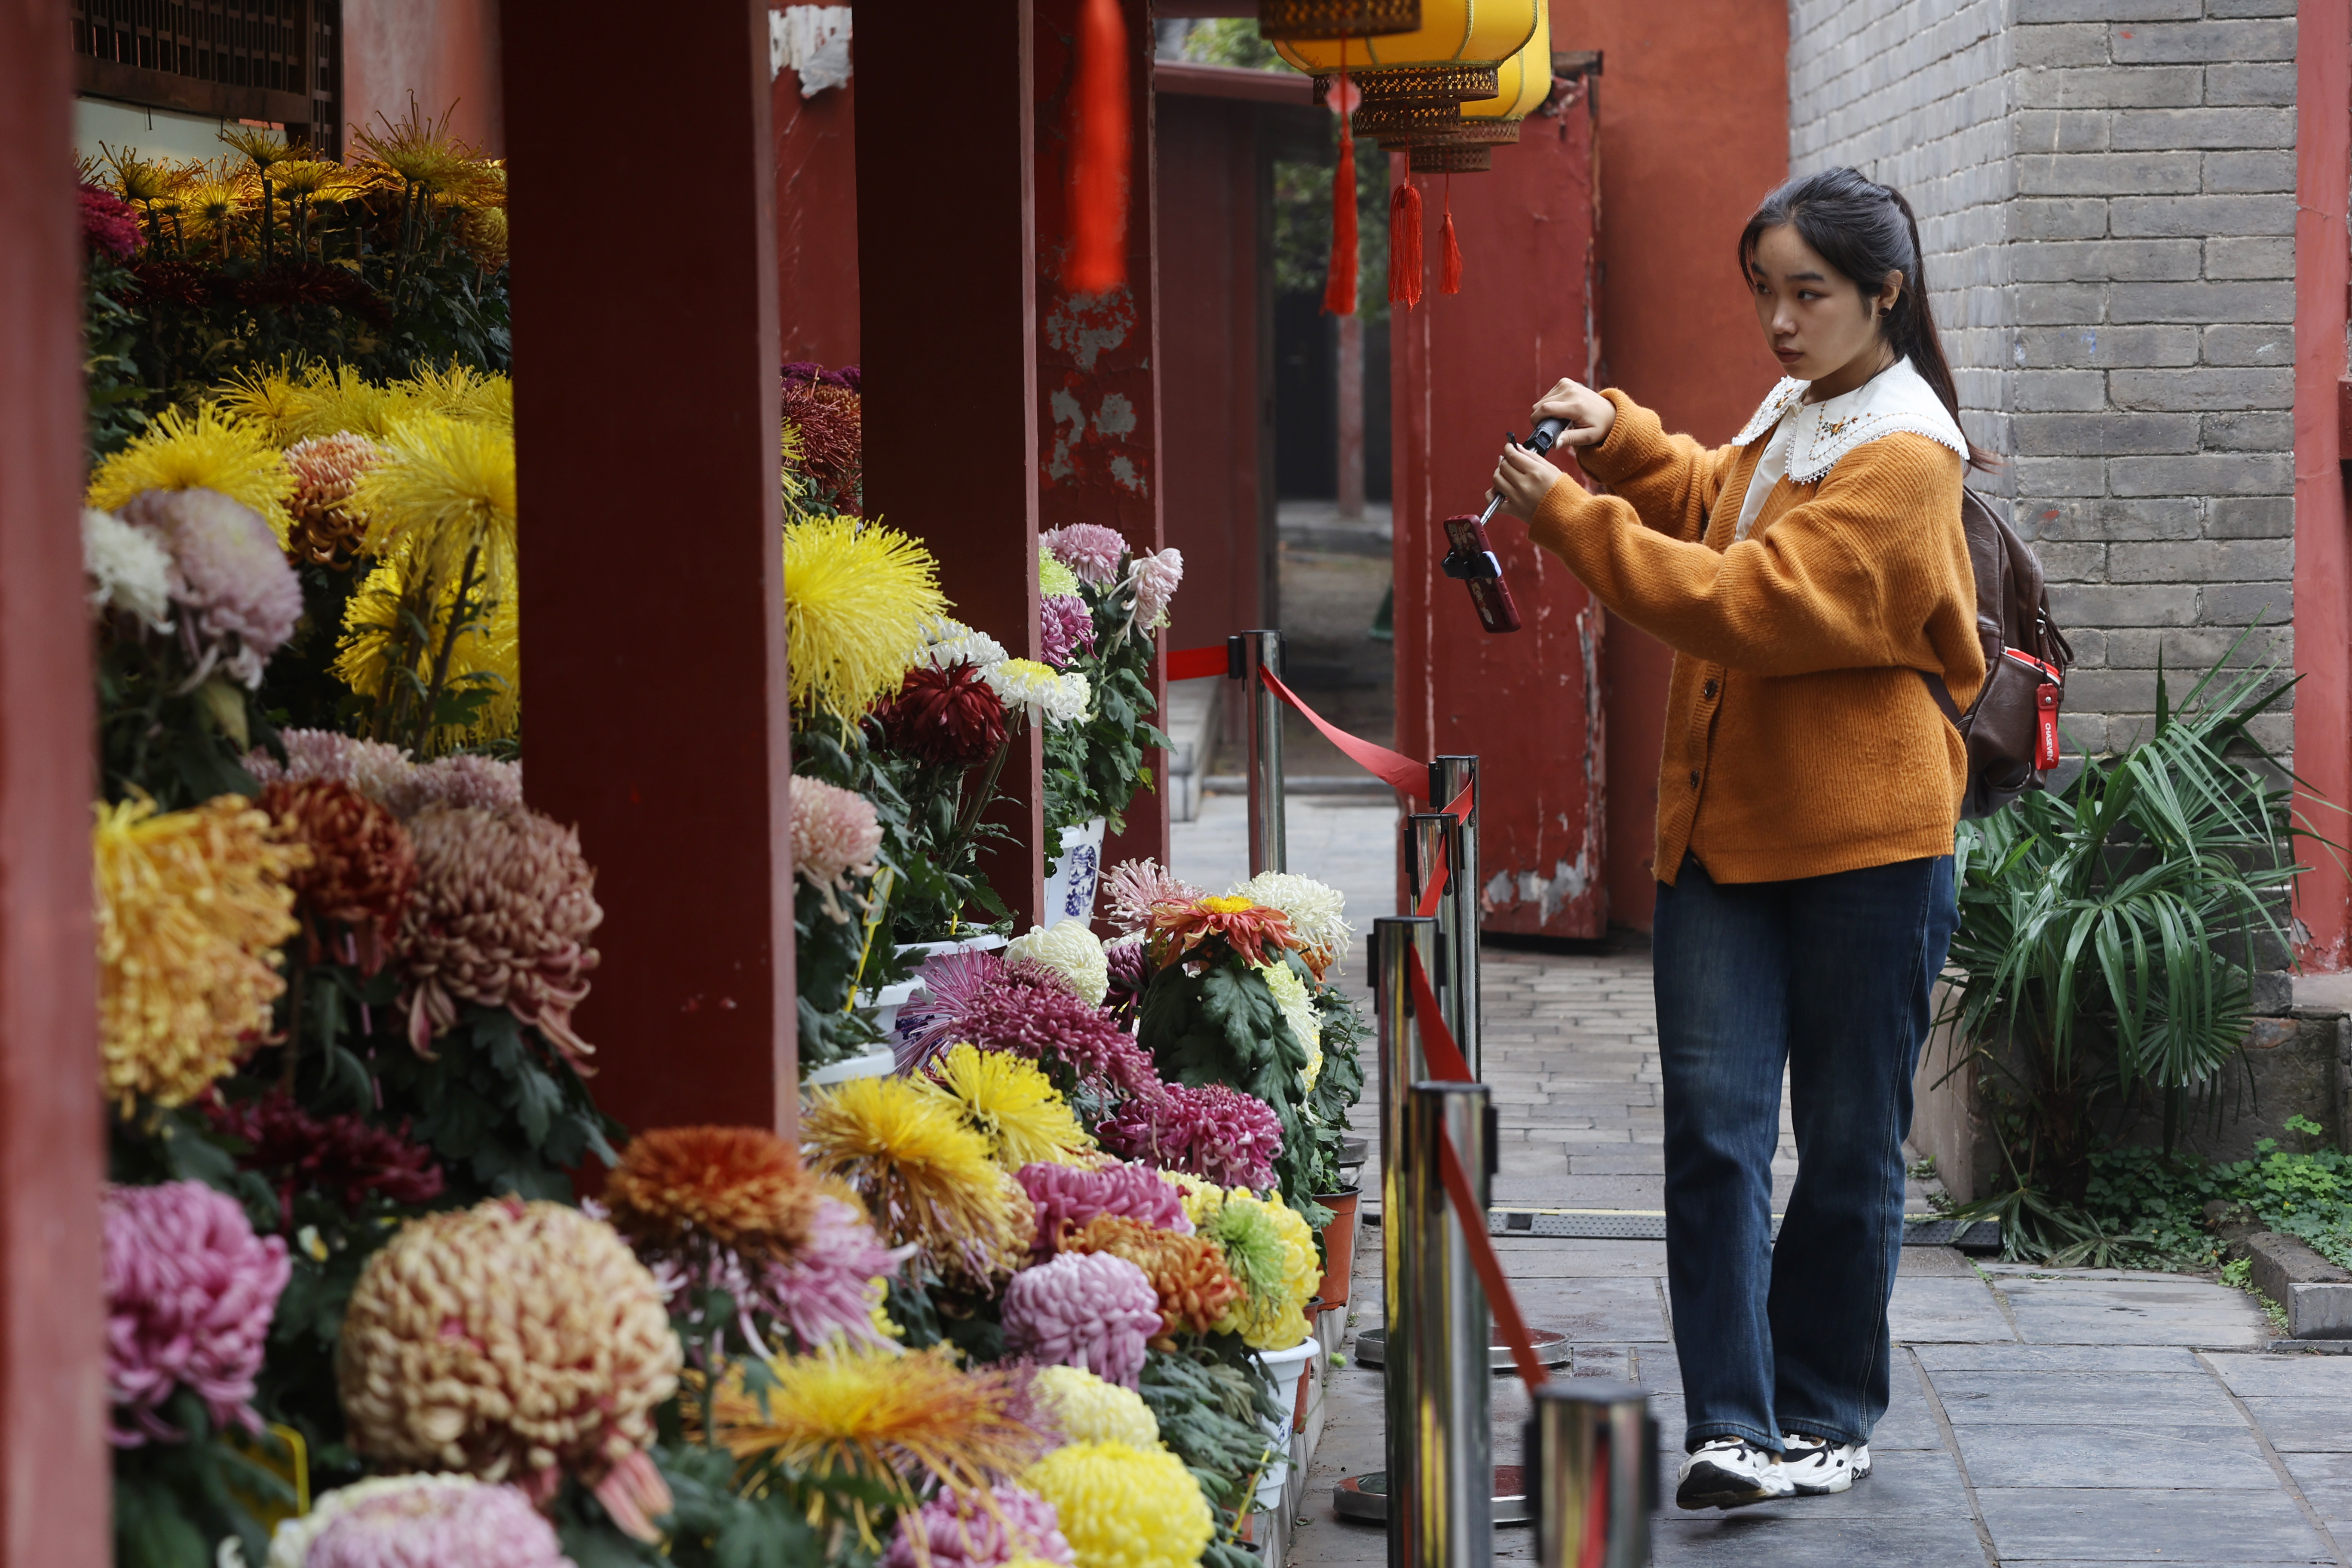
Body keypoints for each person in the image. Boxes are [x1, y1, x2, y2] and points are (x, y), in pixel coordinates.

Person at [1486, 166, 1991, 1511]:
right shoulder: (1809, 405)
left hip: (1867, 855)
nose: (1777, 319)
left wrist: (1574, 523)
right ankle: (1734, 1426)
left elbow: (1750, 599)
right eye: (1763, 291)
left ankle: (1824, 1412)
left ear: (1885, 295)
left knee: (1844, 1143)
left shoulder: (1905, 452)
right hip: (1721, 843)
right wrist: (1623, 435)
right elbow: (1723, 497)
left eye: (1807, 295)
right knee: (1711, 1136)